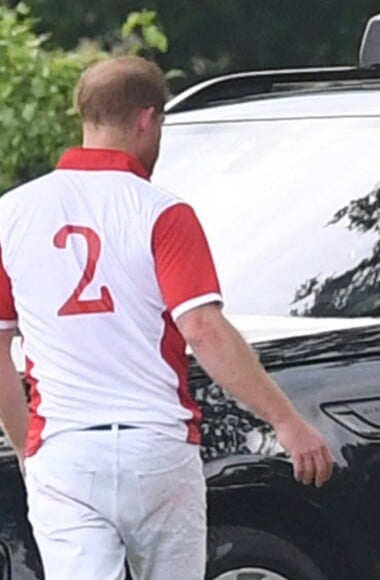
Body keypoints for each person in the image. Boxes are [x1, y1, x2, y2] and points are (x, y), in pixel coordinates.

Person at [0, 56, 334, 580]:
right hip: (155, 443)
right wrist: (286, 421)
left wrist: (27, 447)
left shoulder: (11, 213)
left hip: (64, 447)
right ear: (147, 119)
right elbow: (202, 328)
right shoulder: (162, 211)